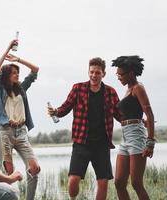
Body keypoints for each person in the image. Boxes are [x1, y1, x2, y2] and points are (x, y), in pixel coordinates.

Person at [48, 57, 121, 200]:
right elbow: (66, 107)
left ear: (103, 74)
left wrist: (136, 121)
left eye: (97, 73)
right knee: (73, 179)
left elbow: (120, 114)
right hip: (82, 142)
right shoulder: (78, 88)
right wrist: (55, 111)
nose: (94, 75)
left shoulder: (111, 92)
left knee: (103, 181)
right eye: (92, 72)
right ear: (88, 72)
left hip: (102, 143)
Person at [0, 40, 40, 200]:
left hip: (21, 132)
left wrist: (18, 60)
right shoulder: (0, 89)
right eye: (14, 73)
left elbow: (35, 70)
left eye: (18, 73)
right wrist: (7, 49)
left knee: (34, 168)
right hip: (5, 132)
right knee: (9, 174)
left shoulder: (21, 88)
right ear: (7, 75)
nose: (17, 75)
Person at [112, 56, 155, 200]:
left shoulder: (138, 88)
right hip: (126, 137)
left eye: (120, 74)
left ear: (130, 73)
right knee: (119, 182)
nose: (118, 77)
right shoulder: (128, 89)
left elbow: (149, 113)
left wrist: (150, 142)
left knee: (136, 183)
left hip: (137, 136)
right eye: (117, 74)